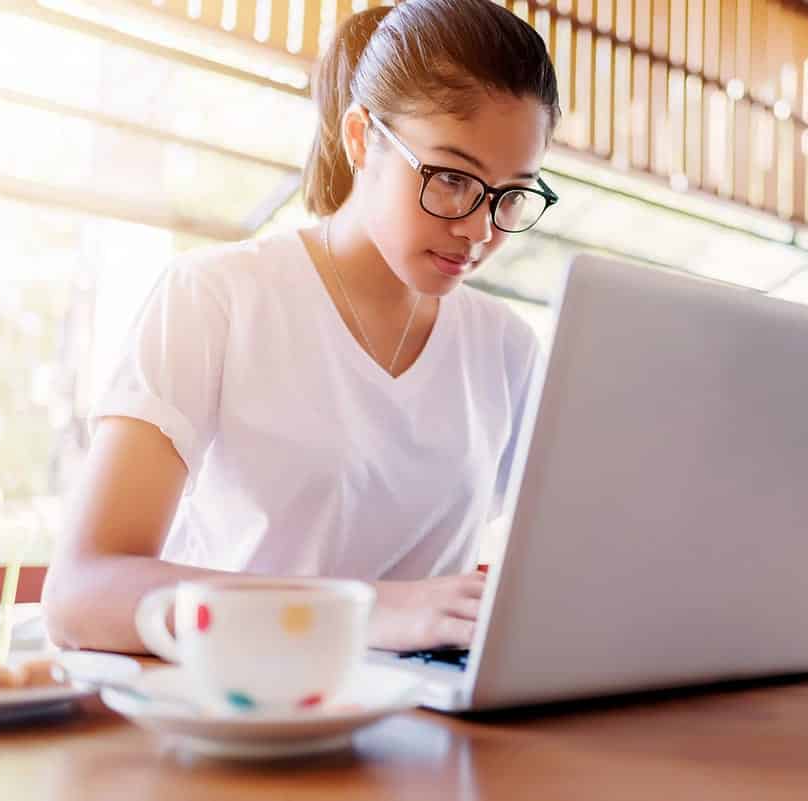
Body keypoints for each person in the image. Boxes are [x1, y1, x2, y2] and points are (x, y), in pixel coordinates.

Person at [42, 0, 561, 655]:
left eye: (511, 194)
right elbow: (81, 594)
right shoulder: (216, 297)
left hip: (431, 731)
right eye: (452, 179)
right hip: (235, 712)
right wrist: (364, 611)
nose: (479, 229)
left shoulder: (508, 348)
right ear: (360, 137)